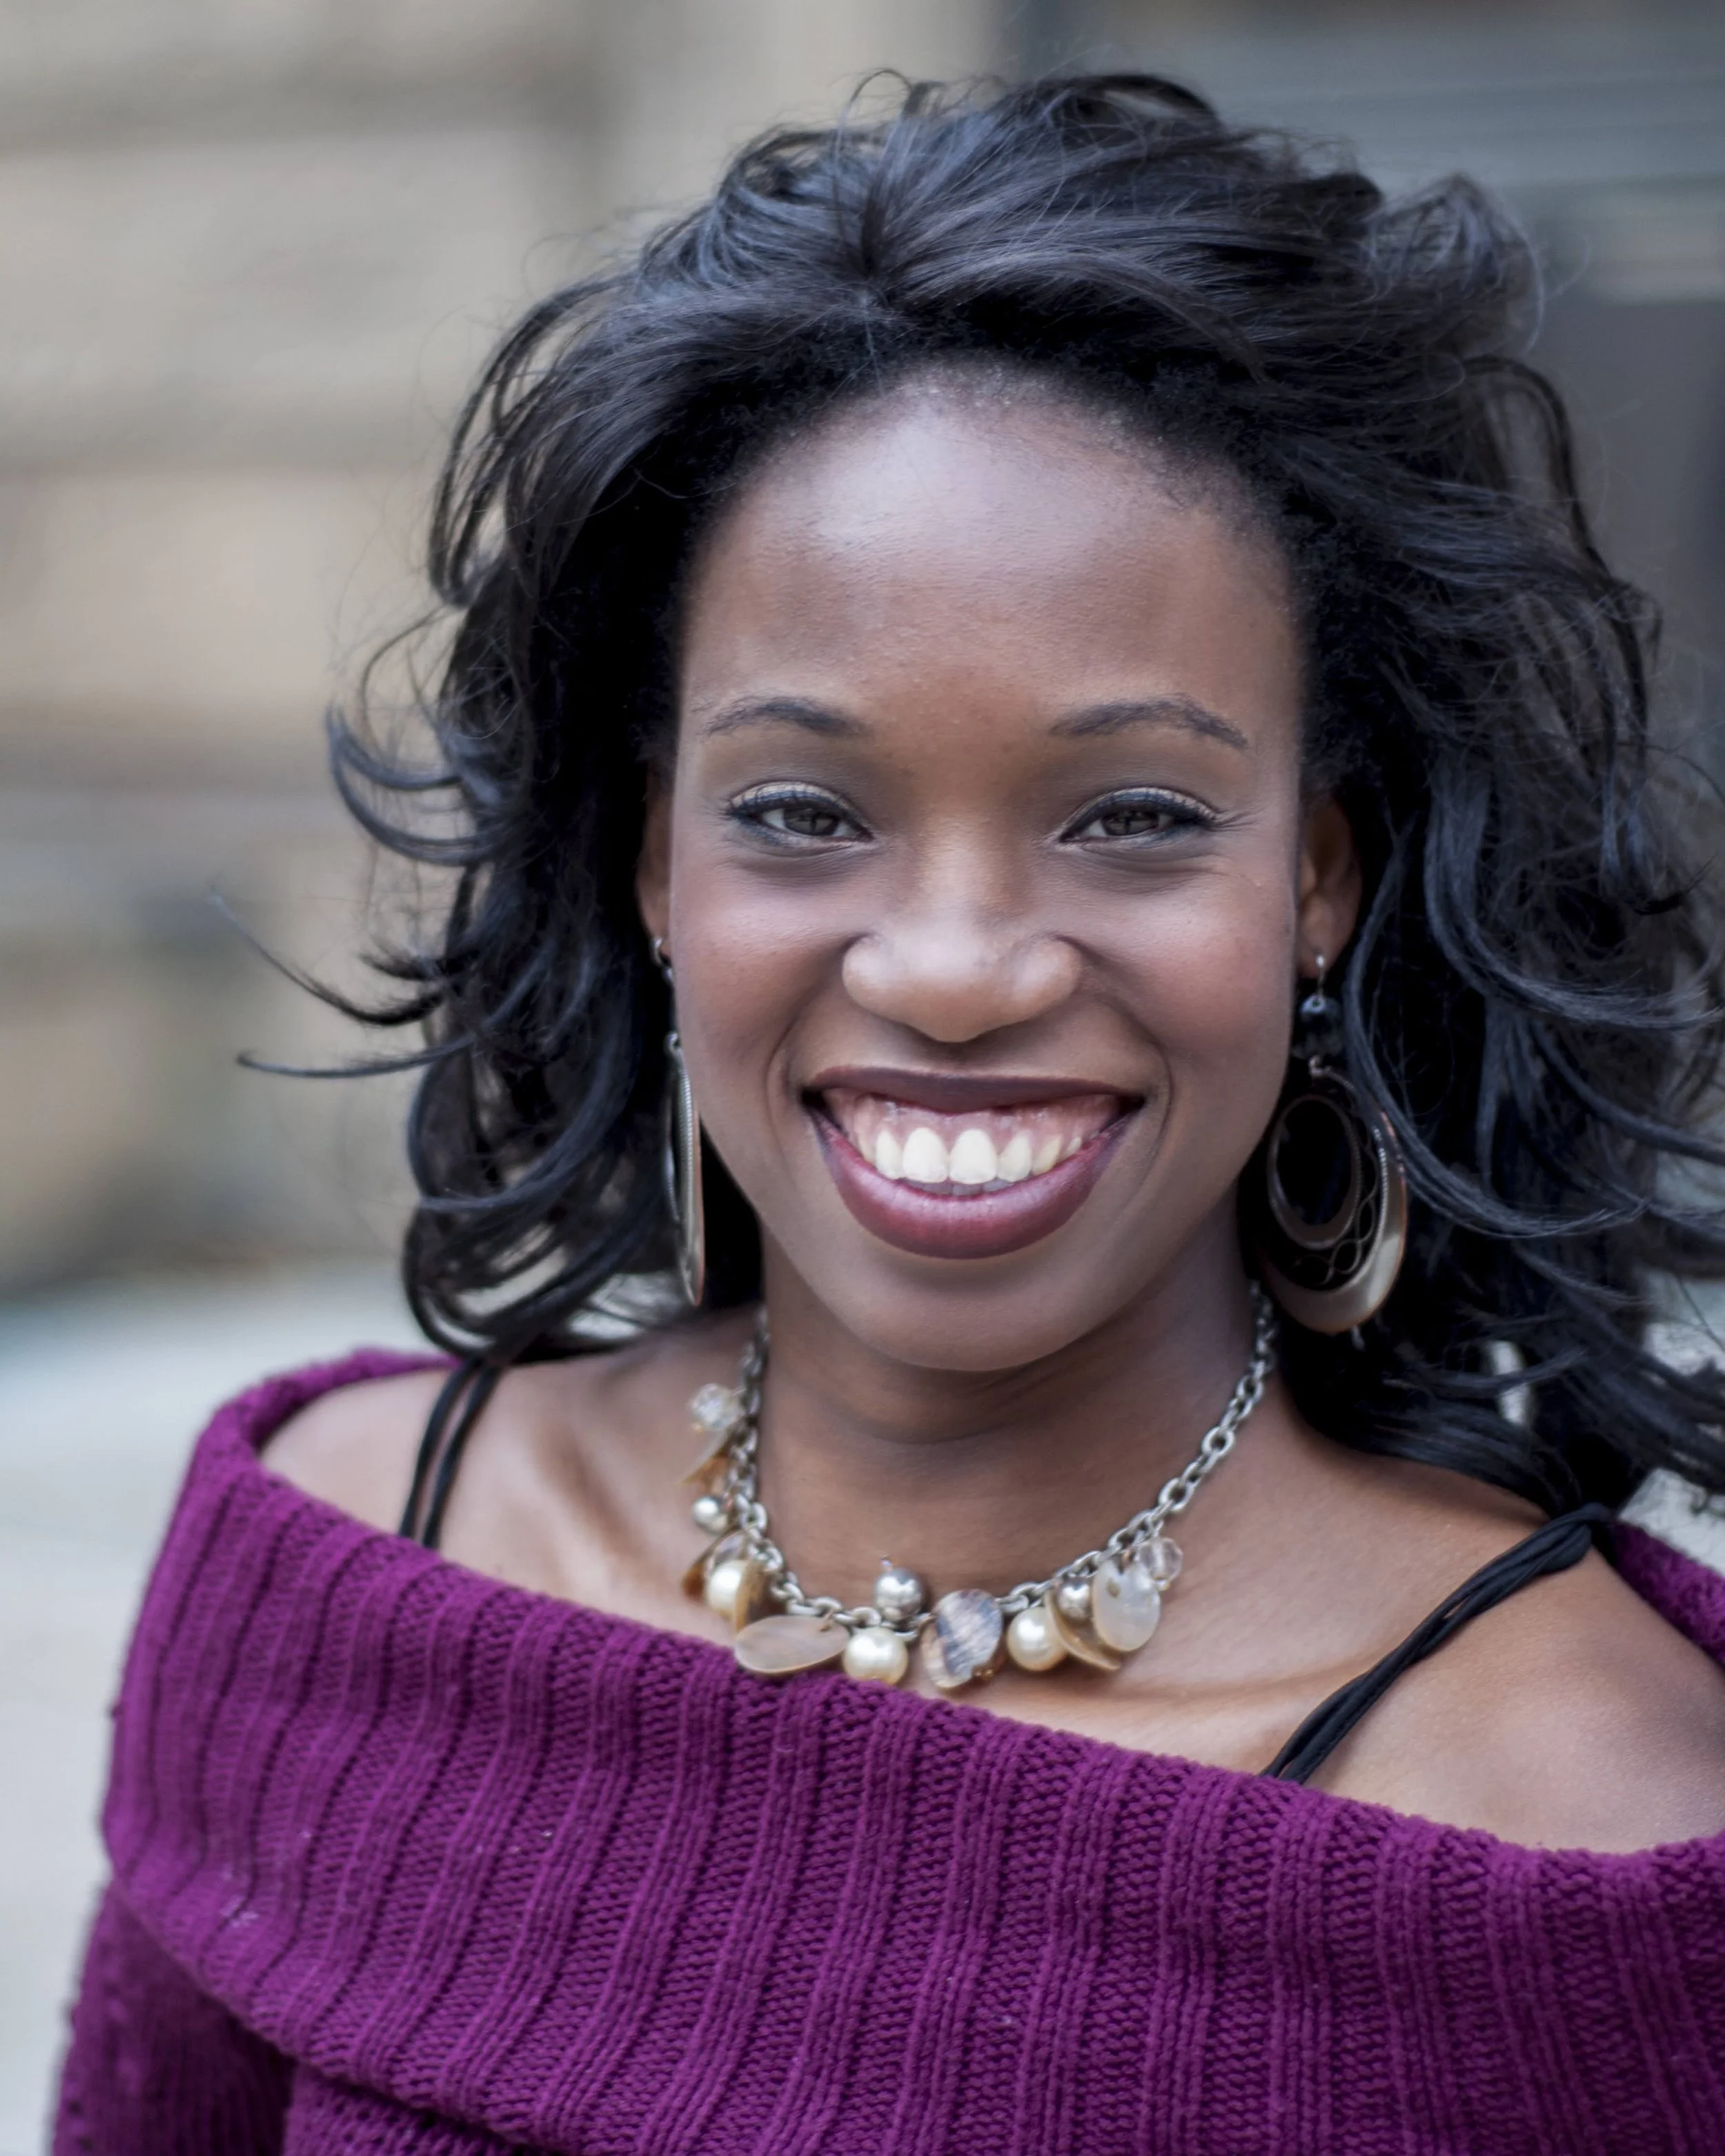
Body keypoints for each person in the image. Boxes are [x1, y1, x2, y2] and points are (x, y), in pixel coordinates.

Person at [57, 75, 1725, 2155]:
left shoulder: (1581, 1830)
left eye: (1134, 814)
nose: (951, 968)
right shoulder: (348, 1558)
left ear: (1321, 878)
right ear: (651, 862)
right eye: (800, 809)